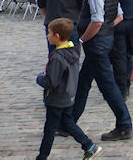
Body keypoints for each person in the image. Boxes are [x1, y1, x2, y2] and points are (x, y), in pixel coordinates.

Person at [71, 0, 133, 142]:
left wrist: (82, 40)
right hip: (104, 41)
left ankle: (124, 125)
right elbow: (119, 16)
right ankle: (69, 122)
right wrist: (105, 29)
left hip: (96, 44)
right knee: (83, 83)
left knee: (108, 87)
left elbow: (97, 21)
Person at [35, 18, 100, 160]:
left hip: (56, 98)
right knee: (68, 123)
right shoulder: (73, 51)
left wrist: (40, 78)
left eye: (49, 33)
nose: (47, 35)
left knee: (50, 130)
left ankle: (42, 156)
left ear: (57, 36)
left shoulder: (57, 57)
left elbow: (51, 81)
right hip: (68, 95)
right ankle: (88, 145)